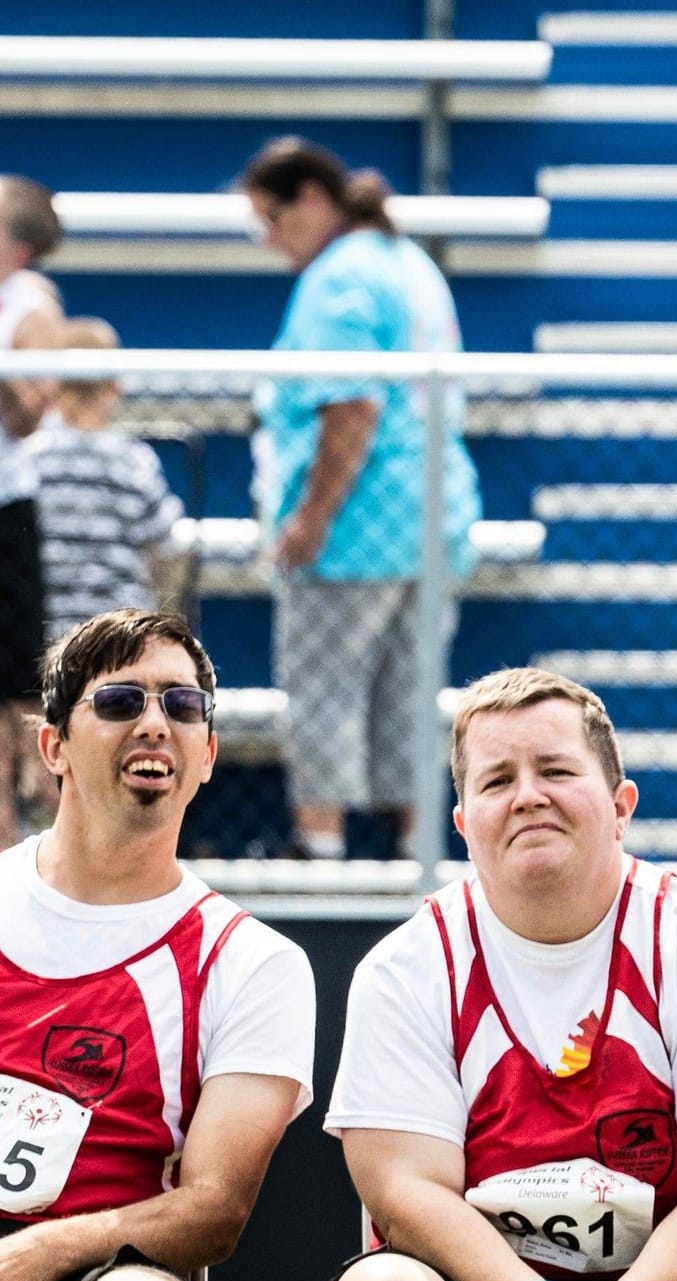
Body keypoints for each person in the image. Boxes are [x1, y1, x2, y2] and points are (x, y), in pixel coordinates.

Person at [325, 667, 677, 1281]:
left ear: (620, 807)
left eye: (555, 770)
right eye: (498, 780)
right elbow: (406, 1190)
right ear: (464, 826)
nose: (529, 795)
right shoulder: (404, 971)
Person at [0, 609, 317, 1281]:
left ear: (207, 754)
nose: (154, 723)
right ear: (53, 747)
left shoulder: (250, 961)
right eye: (119, 700)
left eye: (182, 704)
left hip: (99, 1269)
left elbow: (214, 1209)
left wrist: (39, 1252)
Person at [241, 135, 481, 861]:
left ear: (312, 199)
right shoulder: (411, 264)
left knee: (323, 689)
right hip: (435, 520)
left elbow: (351, 408)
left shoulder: (336, 280)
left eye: (273, 220)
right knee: (409, 697)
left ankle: (320, 849)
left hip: (356, 531)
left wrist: (310, 519)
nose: (270, 241)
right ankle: (417, 851)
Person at [25, 319, 185, 640]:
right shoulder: (133, 461)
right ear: (115, 386)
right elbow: (163, 543)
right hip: (119, 630)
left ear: (52, 385)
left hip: (43, 627)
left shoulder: (30, 458)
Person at [0, 174, 64, 847]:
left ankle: (47, 833)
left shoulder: (30, 304)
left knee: (19, 694)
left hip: (5, 517)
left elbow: (27, 416)